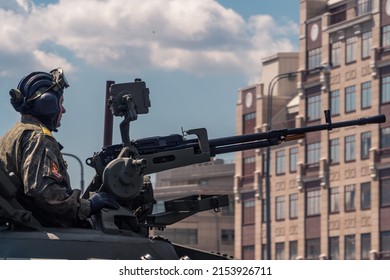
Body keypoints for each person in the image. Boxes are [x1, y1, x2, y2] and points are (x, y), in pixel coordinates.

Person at [0, 68, 119, 228]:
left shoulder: (13, 134)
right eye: (61, 103)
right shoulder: (39, 137)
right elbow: (43, 191)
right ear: (48, 104)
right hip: (43, 229)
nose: (63, 110)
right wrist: (87, 206)